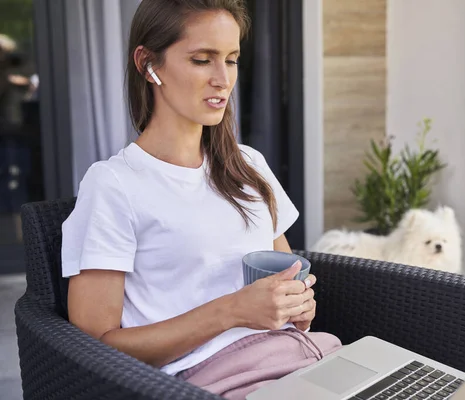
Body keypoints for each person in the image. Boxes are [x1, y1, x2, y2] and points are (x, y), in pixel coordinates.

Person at [60, 0, 342, 399]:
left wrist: (296, 305)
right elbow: (96, 349)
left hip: (307, 361)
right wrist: (231, 311)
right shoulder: (114, 184)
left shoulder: (248, 164)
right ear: (147, 64)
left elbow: (284, 274)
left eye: (231, 59)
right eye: (201, 60)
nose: (222, 79)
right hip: (217, 382)